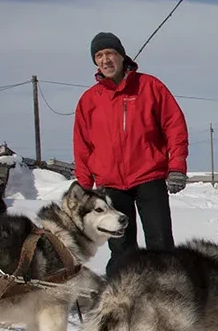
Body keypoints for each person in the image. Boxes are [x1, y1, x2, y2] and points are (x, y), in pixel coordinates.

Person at [73, 32, 190, 276]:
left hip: (149, 177)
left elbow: (175, 126)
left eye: (110, 53)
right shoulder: (89, 100)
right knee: (122, 248)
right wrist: (84, 188)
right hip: (111, 185)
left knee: (160, 244)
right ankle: (123, 299)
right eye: (99, 56)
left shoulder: (150, 87)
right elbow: (82, 146)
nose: (105, 60)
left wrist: (176, 165)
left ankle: (168, 293)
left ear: (122, 56)